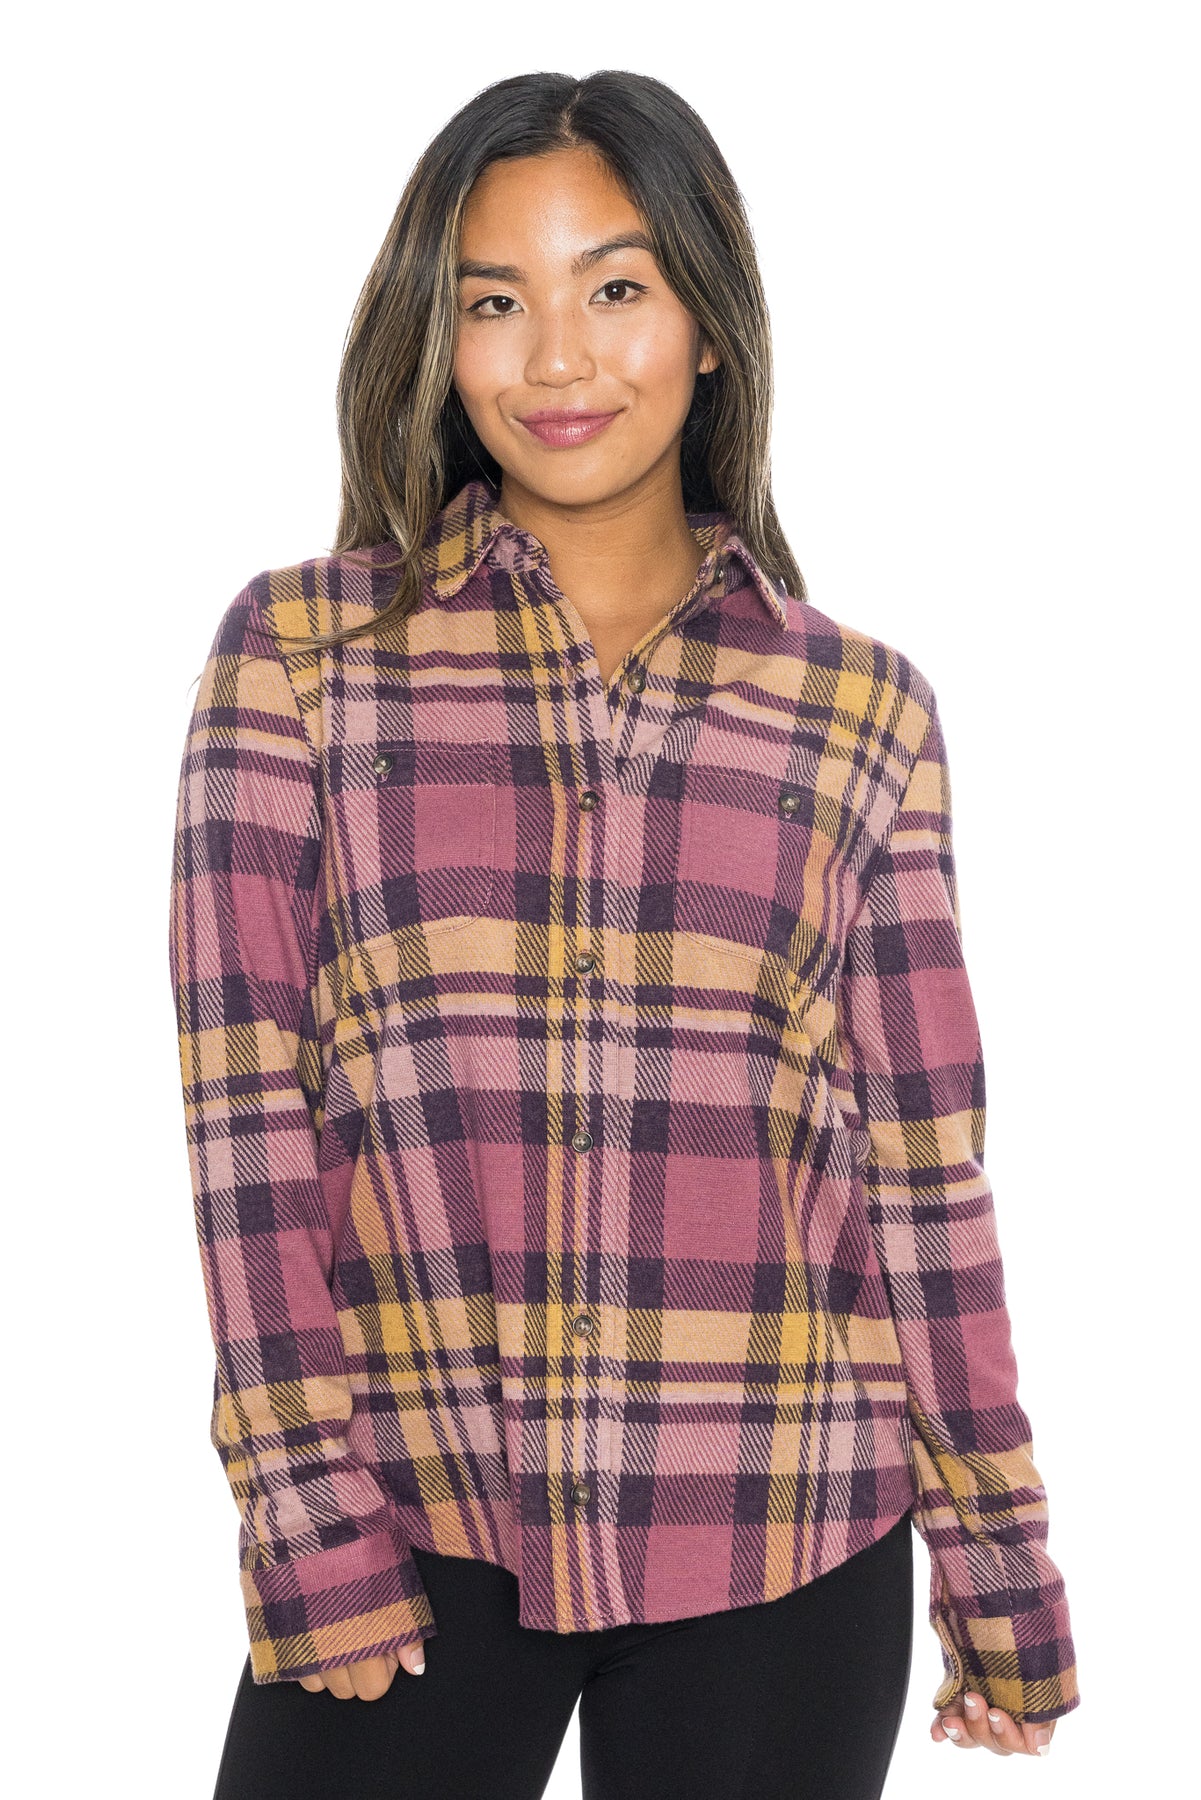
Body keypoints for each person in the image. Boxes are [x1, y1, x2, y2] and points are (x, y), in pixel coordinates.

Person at [168, 69, 1079, 1800]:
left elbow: (919, 1170)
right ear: (437, 339)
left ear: (708, 325)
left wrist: (996, 1552)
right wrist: (305, 1516)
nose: (557, 359)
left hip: (786, 1532)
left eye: (615, 288)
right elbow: (246, 1127)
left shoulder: (861, 710)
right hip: (417, 1521)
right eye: (493, 303)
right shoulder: (298, 656)